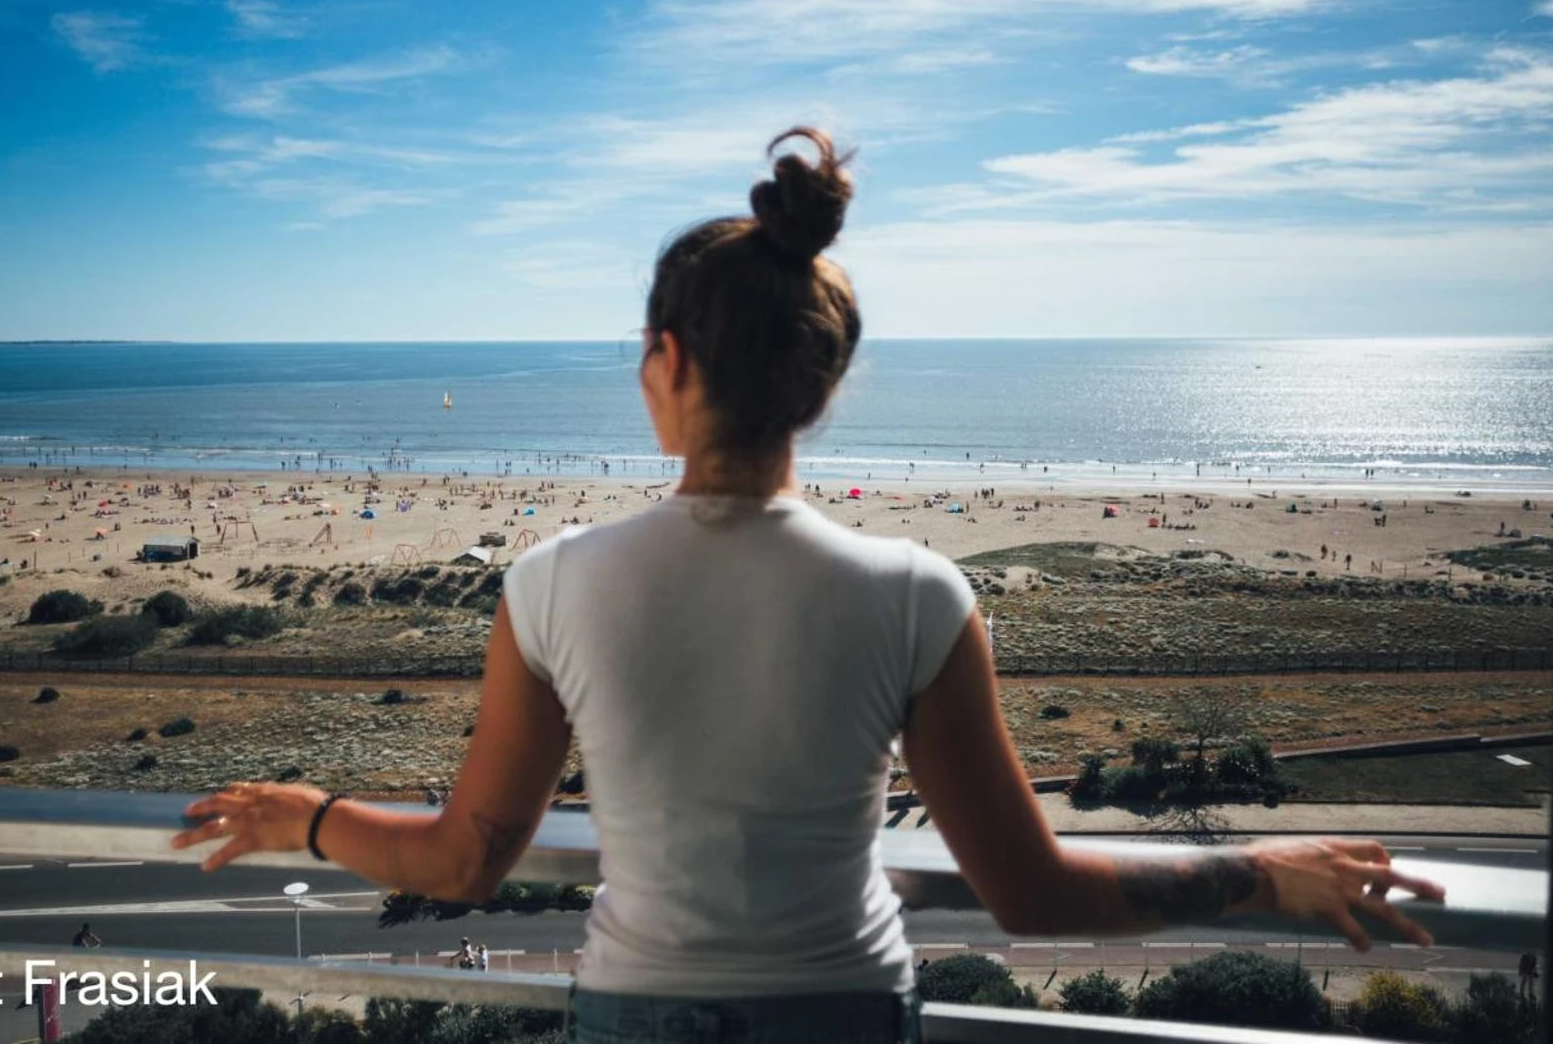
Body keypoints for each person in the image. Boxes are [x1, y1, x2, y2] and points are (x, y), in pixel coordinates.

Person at [169, 127, 1445, 1044]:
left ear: (664, 361)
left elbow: (462, 861)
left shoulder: (552, 585)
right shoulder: (916, 593)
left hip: (637, 1014)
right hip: (842, 1008)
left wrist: (309, 813)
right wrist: (1257, 874)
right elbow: (1033, 890)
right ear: (823, 385)